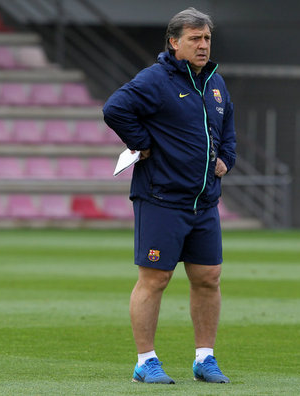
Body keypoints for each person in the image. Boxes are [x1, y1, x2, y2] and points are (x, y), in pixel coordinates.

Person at [103, 7, 236, 384]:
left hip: (204, 200)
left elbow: (227, 127)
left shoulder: (215, 83)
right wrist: (142, 143)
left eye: (207, 38)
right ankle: (145, 361)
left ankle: (205, 359)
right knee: (155, 279)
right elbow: (115, 109)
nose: (203, 45)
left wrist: (227, 157)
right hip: (161, 197)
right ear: (174, 42)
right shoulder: (155, 80)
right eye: (194, 38)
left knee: (208, 277)